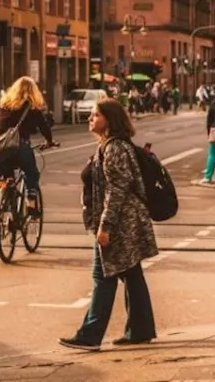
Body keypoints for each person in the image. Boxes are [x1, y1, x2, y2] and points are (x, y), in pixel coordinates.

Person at [59, 99, 158, 351]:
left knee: (102, 277)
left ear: (109, 120)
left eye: (95, 115)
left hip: (120, 223)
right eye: (90, 115)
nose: (90, 119)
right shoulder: (110, 145)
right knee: (132, 274)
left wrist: (106, 226)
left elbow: (117, 189)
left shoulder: (114, 148)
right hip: (126, 220)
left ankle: (90, 335)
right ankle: (140, 330)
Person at [0, 77, 56, 209]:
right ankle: (31, 199)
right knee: (31, 172)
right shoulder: (32, 107)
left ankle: (0, 201)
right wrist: (49, 141)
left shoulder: (3, 105)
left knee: (2, 178)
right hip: (19, 148)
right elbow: (44, 127)